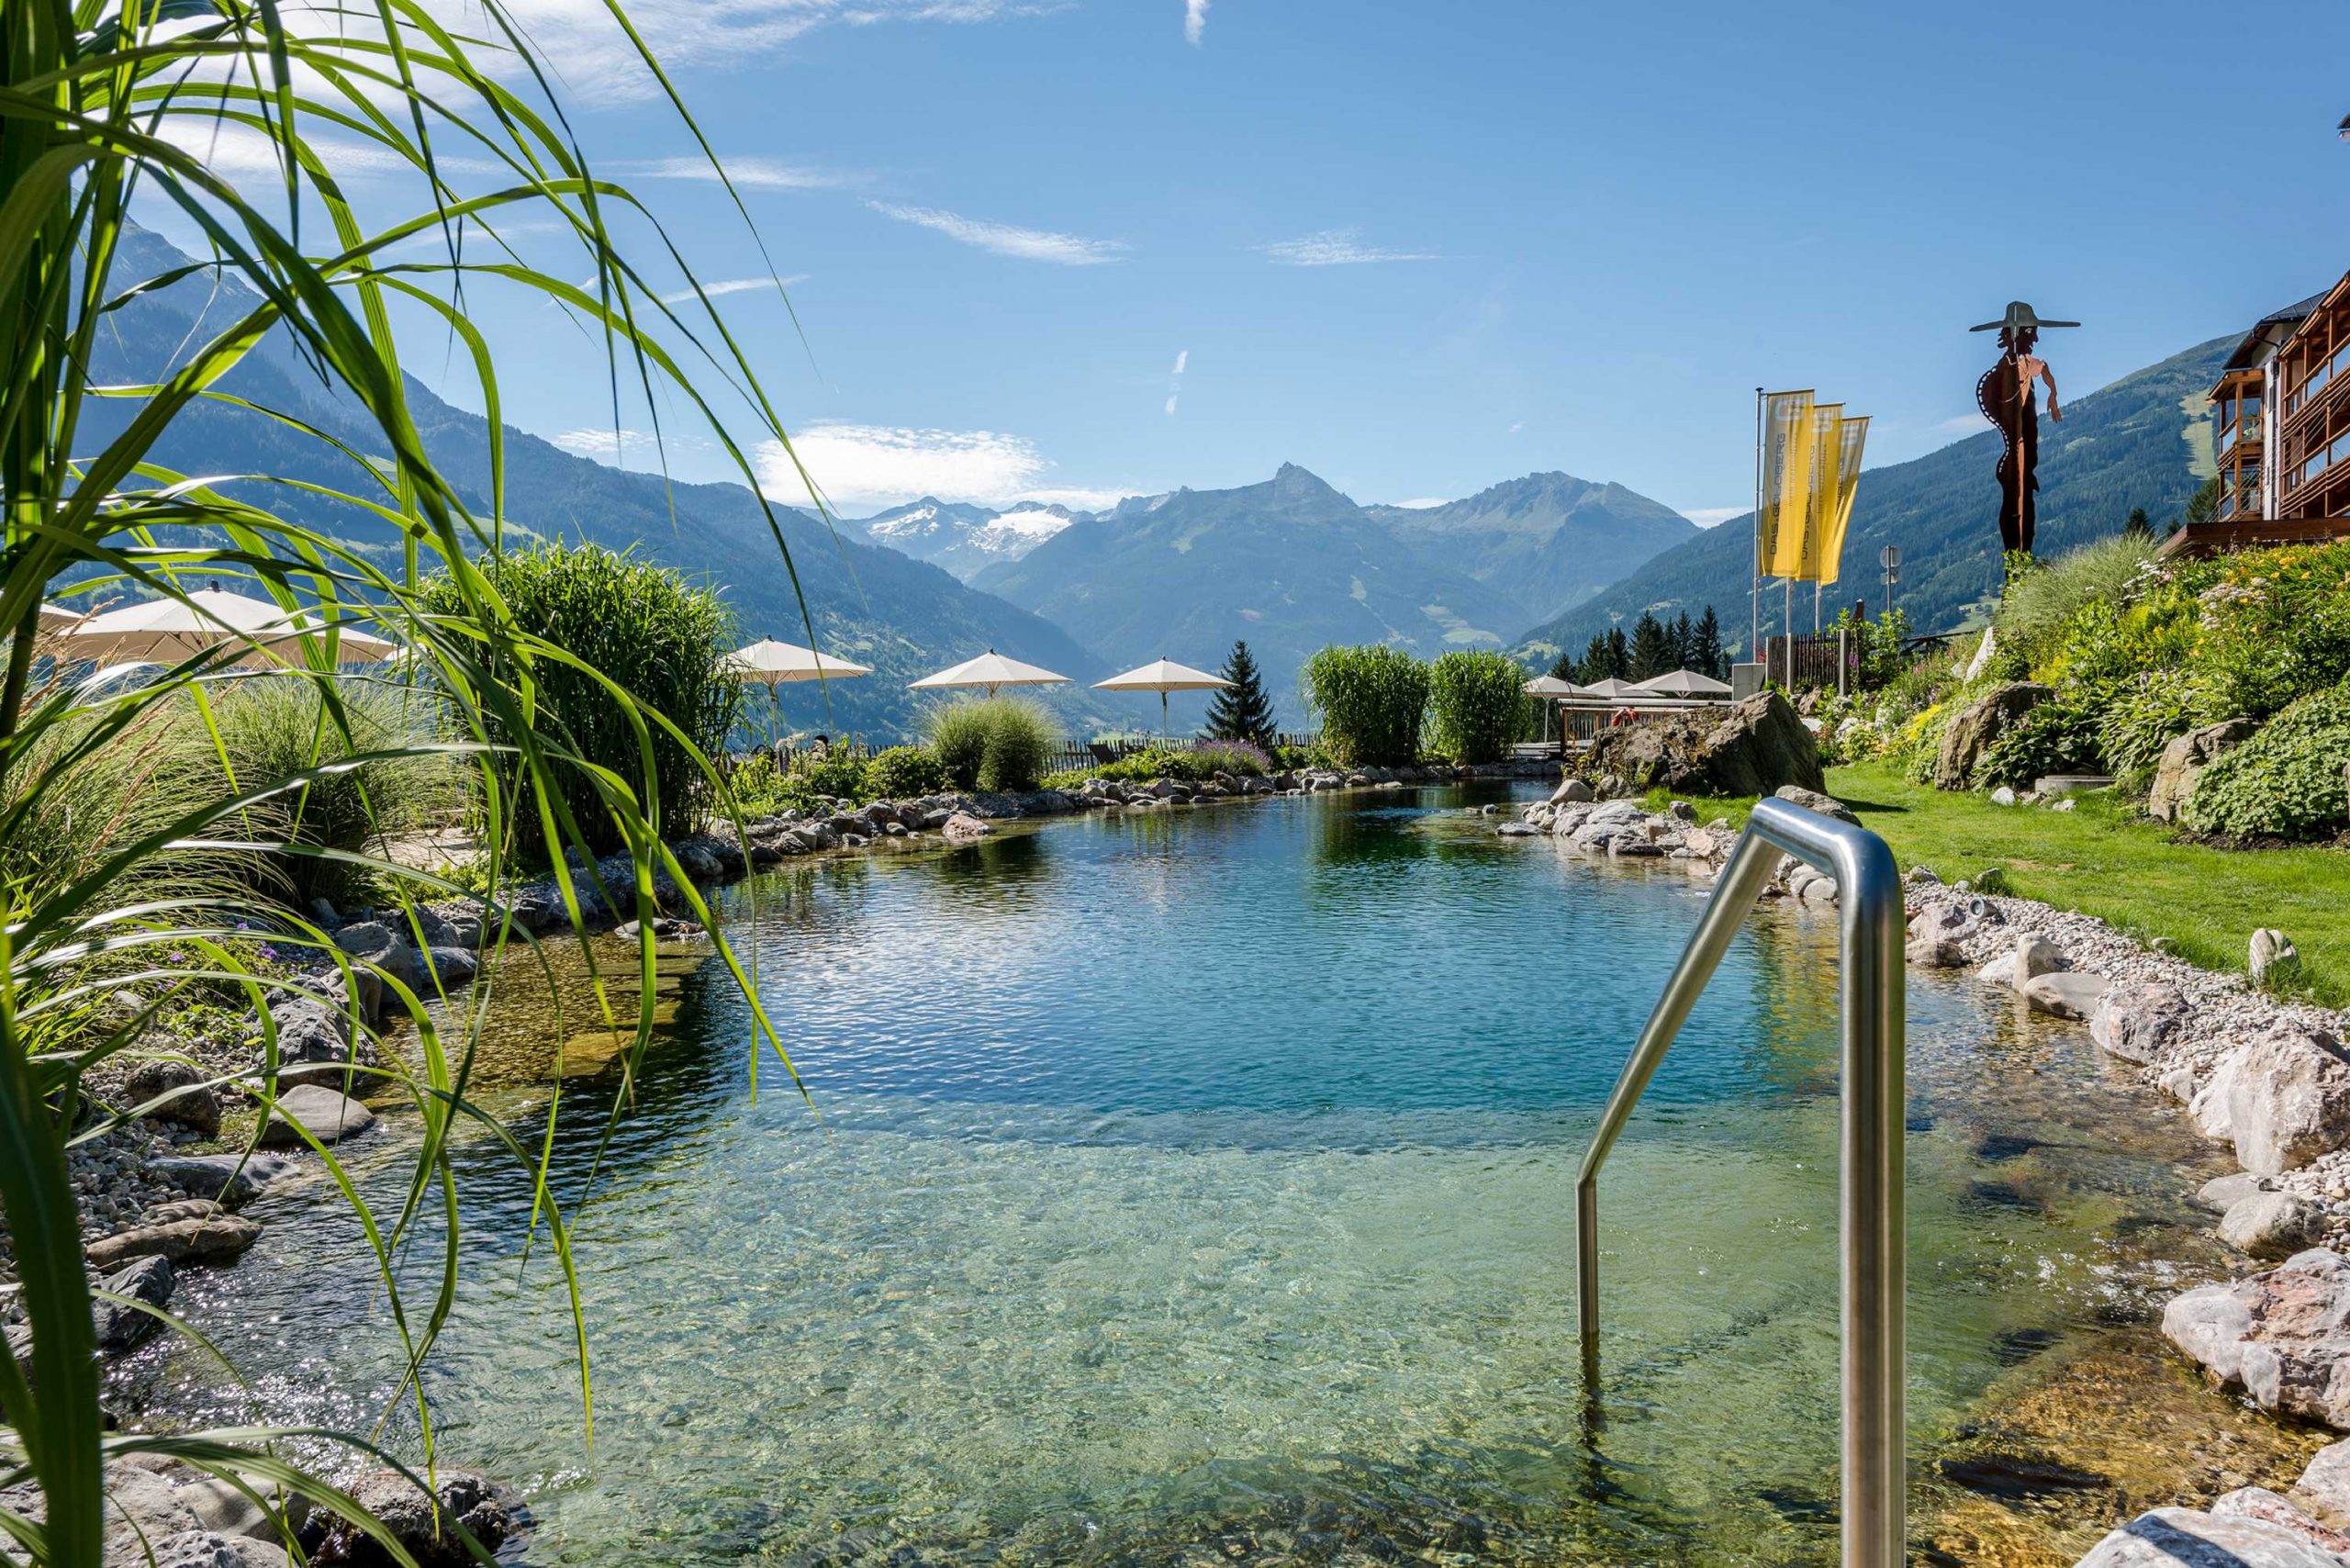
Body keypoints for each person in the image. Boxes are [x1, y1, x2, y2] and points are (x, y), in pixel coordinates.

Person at [1973, 301, 2076, 557]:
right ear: (2019, 334)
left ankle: (2019, 555)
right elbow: (2041, 368)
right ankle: (2016, 555)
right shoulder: (2012, 366)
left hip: (2023, 451)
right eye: (2031, 332)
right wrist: (2051, 391)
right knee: (2017, 497)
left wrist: (2053, 392)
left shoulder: (2018, 364)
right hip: (2018, 449)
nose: (2035, 337)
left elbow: (2044, 369)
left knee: (2021, 492)